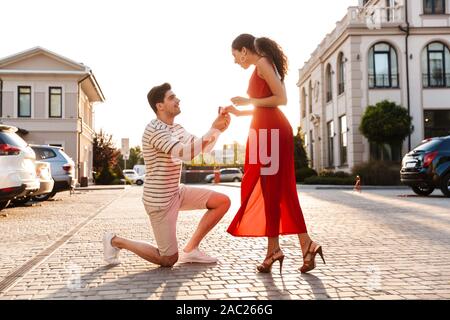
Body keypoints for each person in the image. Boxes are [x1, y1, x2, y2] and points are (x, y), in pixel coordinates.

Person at [224, 34, 325, 274]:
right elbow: (264, 105)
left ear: (245, 50)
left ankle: (293, 246)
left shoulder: (262, 63)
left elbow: (281, 99)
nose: (235, 61)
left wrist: (248, 100)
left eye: (235, 55)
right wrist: (241, 112)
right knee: (272, 192)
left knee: (278, 191)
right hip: (265, 132)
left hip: (271, 134)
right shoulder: (262, 65)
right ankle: (287, 247)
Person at [103, 83, 232, 267]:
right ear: (159, 106)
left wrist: (218, 130)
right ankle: (115, 241)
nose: (177, 100)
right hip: (159, 201)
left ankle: (191, 250)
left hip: (176, 192)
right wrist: (212, 129)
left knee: (222, 201)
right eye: (172, 98)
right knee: (168, 259)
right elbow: (186, 153)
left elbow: (204, 148)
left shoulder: (177, 128)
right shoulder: (155, 130)